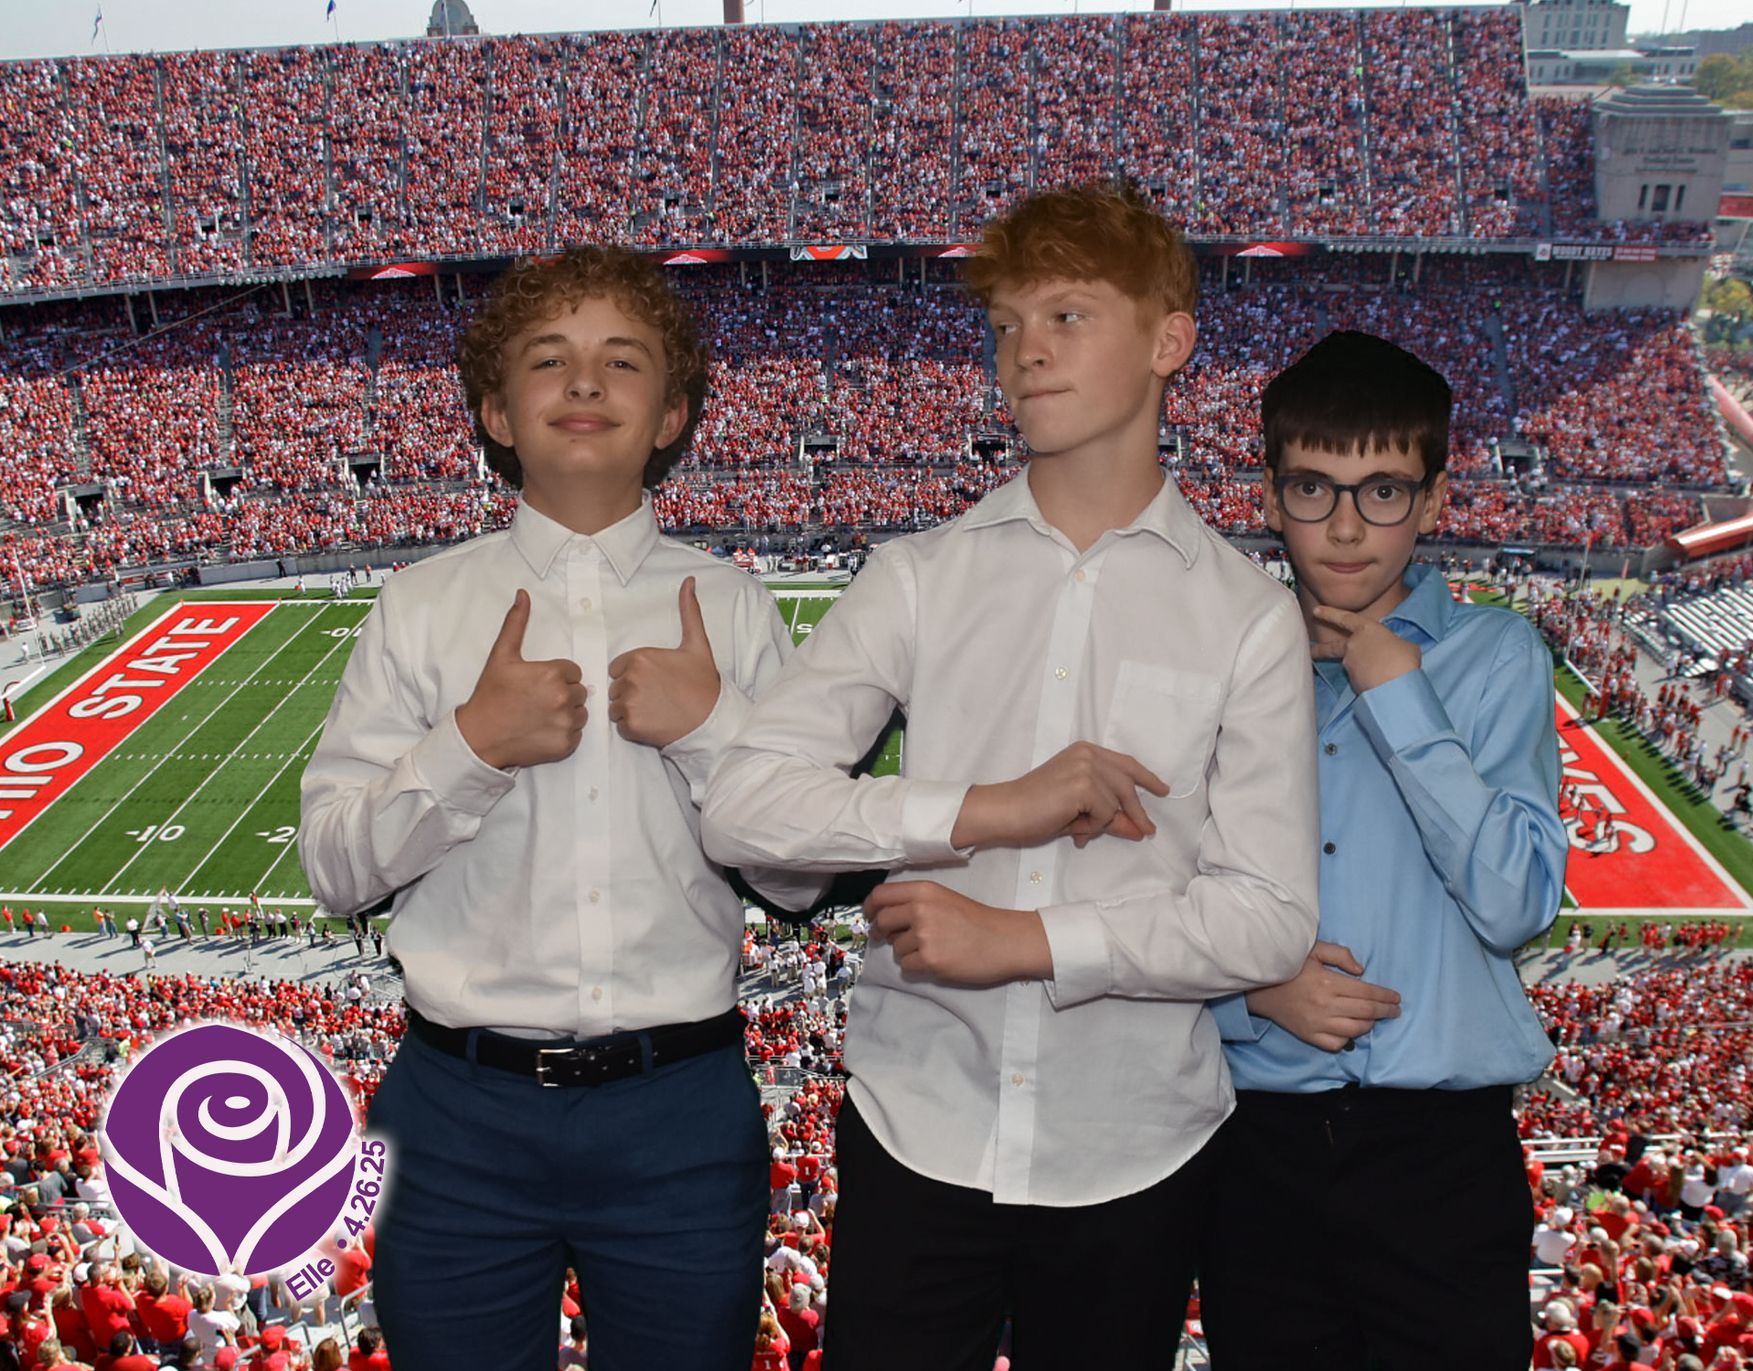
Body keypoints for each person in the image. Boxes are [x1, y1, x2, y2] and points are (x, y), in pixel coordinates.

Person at [701, 181, 1320, 1371]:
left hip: (1134, 1142)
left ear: (1168, 341)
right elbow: (744, 803)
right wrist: (996, 810)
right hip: (917, 1121)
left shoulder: (1247, 618)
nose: (1026, 350)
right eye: (1006, 324)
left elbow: (1269, 920)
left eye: (1069, 315)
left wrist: (1026, 940)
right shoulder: (922, 575)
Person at [299, 245, 822, 1371]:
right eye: (549, 360)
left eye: (622, 361)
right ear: (496, 408)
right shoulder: (421, 605)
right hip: (455, 1109)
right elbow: (336, 869)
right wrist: (470, 747)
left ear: (672, 410)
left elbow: (801, 878)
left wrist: (711, 733)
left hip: (680, 1106)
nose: (585, 385)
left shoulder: (732, 606)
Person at [1198, 330, 1568, 1368]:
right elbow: (1154, 895)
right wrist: (1251, 991)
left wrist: (1387, 679)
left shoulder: (1497, 658)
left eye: (1385, 491)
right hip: (1257, 1142)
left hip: (1439, 1155)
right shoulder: (1221, 666)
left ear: (1436, 501)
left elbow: (1514, 901)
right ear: (1270, 496)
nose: (1349, 526)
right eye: (1314, 488)